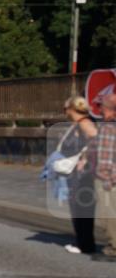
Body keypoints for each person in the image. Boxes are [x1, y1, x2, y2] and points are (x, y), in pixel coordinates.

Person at [60, 96, 97, 254]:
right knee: (77, 206)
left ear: (72, 109)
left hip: (83, 173)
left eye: (65, 108)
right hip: (76, 173)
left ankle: (85, 244)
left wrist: (85, 157)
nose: (65, 112)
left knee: (81, 207)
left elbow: (96, 139)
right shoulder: (77, 124)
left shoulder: (84, 123)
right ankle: (82, 241)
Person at [88, 90, 116, 262]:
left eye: (102, 107)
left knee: (109, 215)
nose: (99, 110)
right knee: (105, 215)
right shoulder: (106, 125)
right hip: (102, 176)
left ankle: (114, 248)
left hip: (109, 179)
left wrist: (110, 178)